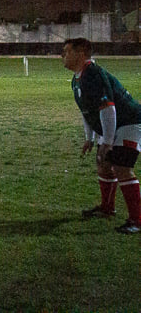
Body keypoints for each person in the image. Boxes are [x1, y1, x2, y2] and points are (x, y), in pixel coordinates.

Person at [62, 37, 141, 234]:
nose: (62, 56)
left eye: (67, 51)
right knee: (104, 164)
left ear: (80, 54)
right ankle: (107, 208)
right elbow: (86, 111)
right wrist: (89, 138)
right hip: (114, 124)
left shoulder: (93, 75)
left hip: (130, 122)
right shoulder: (78, 79)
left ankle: (137, 220)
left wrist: (106, 141)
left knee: (122, 167)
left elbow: (108, 108)